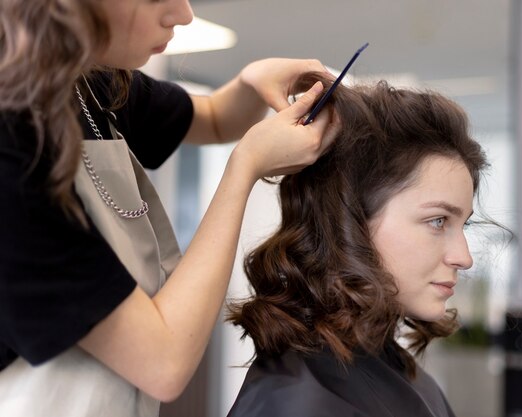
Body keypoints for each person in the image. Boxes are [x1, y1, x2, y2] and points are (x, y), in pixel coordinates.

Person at [0, 1, 339, 416]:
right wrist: (243, 169)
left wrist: (252, 82)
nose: (183, 14)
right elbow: (163, 362)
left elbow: (213, 119)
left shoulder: (88, 84)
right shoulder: (9, 156)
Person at [226, 72, 490, 417]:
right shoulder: (297, 403)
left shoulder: (397, 370)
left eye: (462, 224)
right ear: (349, 223)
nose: (464, 258)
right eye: (438, 221)